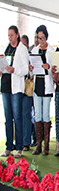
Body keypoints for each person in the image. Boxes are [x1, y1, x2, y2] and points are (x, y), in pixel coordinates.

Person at [0, 26, 29, 158]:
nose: (10, 37)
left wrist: (14, 70)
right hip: (5, 86)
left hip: (16, 87)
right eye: (8, 35)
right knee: (8, 118)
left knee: (17, 118)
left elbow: (25, 70)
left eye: (12, 35)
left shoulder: (22, 49)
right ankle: (8, 147)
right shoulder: (7, 48)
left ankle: (19, 147)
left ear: (17, 35)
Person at [30, 25, 55, 156]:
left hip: (47, 85)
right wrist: (31, 67)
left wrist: (49, 67)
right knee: (37, 115)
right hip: (37, 84)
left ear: (46, 37)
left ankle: (46, 146)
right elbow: (32, 68)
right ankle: (38, 144)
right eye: (38, 38)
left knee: (45, 115)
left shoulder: (52, 50)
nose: (41, 41)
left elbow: (55, 69)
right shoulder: (34, 49)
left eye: (42, 38)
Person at [21, 35, 34, 152]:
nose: (22, 46)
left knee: (26, 115)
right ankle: (19, 141)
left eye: (24, 44)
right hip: (16, 89)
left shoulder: (30, 56)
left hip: (27, 90)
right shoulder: (17, 56)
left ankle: (26, 142)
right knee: (18, 116)